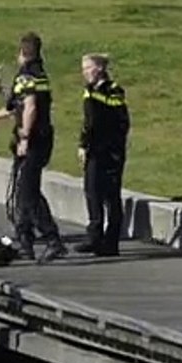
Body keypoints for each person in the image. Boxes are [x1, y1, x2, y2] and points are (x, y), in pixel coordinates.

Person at [2, 32, 66, 263]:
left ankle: (52, 239)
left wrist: (24, 137)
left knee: (27, 193)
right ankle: (25, 241)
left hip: (32, 140)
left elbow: (29, 107)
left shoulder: (27, 76)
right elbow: (17, 107)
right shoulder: (40, 75)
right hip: (43, 138)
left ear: (21, 52)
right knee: (23, 192)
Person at [77, 53, 130, 256]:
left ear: (99, 68)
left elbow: (117, 120)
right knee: (92, 191)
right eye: (83, 69)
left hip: (111, 151)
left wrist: (93, 96)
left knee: (111, 195)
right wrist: (83, 145)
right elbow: (88, 122)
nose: (85, 72)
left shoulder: (114, 90)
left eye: (88, 68)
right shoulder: (89, 91)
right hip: (94, 149)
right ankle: (94, 236)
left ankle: (111, 241)